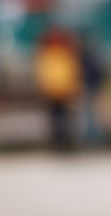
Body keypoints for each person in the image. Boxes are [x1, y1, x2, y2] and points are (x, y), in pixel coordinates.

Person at [34, 25, 81, 153]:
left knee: (67, 120)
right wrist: (43, 87)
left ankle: (68, 144)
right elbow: (42, 72)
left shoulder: (67, 52)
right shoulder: (45, 54)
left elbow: (73, 71)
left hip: (65, 92)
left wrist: (74, 87)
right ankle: (56, 144)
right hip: (51, 92)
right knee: (54, 120)